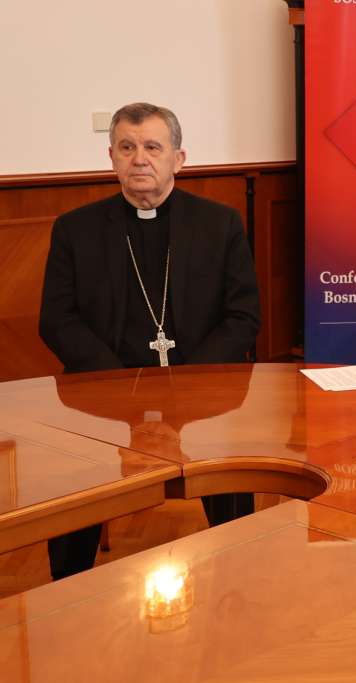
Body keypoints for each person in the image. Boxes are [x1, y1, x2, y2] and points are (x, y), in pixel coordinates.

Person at [39, 102, 260, 580]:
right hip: (101, 396)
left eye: (153, 147)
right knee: (73, 480)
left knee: (230, 464)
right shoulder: (75, 229)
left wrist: (185, 387)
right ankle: (67, 586)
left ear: (178, 158)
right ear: (112, 158)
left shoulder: (220, 224)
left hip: (202, 393)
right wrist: (124, 389)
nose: (139, 158)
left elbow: (243, 318)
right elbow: (56, 320)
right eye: (127, 147)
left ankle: (239, 571)